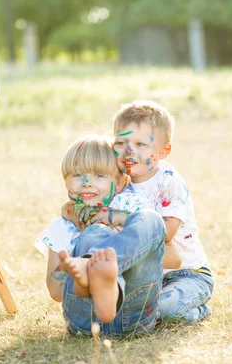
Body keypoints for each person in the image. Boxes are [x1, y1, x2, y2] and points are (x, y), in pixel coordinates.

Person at [62, 100, 214, 324]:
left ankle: (199, 311)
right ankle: (99, 277)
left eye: (141, 144)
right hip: (147, 276)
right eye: (121, 143)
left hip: (187, 273)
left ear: (164, 150)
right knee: (134, 313)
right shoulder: (120, 185)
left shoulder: (168, 181)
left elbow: (165, 232)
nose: (129, 151)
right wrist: (74, 212)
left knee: (166, 309)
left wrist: (115, 217)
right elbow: (73, 207)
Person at [35, 134, 167, 336]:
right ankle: (95, 272)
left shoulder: (133, 206)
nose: (87, 183)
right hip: (85, 319)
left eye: (99, 175)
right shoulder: (61, 227)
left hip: (135, 315)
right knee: (94, 233)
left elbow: (170, 257)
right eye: (78, 175)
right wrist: (76, 268)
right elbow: (55, 292)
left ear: (121, 182)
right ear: (65, 182)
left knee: (152, 219)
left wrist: (115, 218)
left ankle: (97, 272)